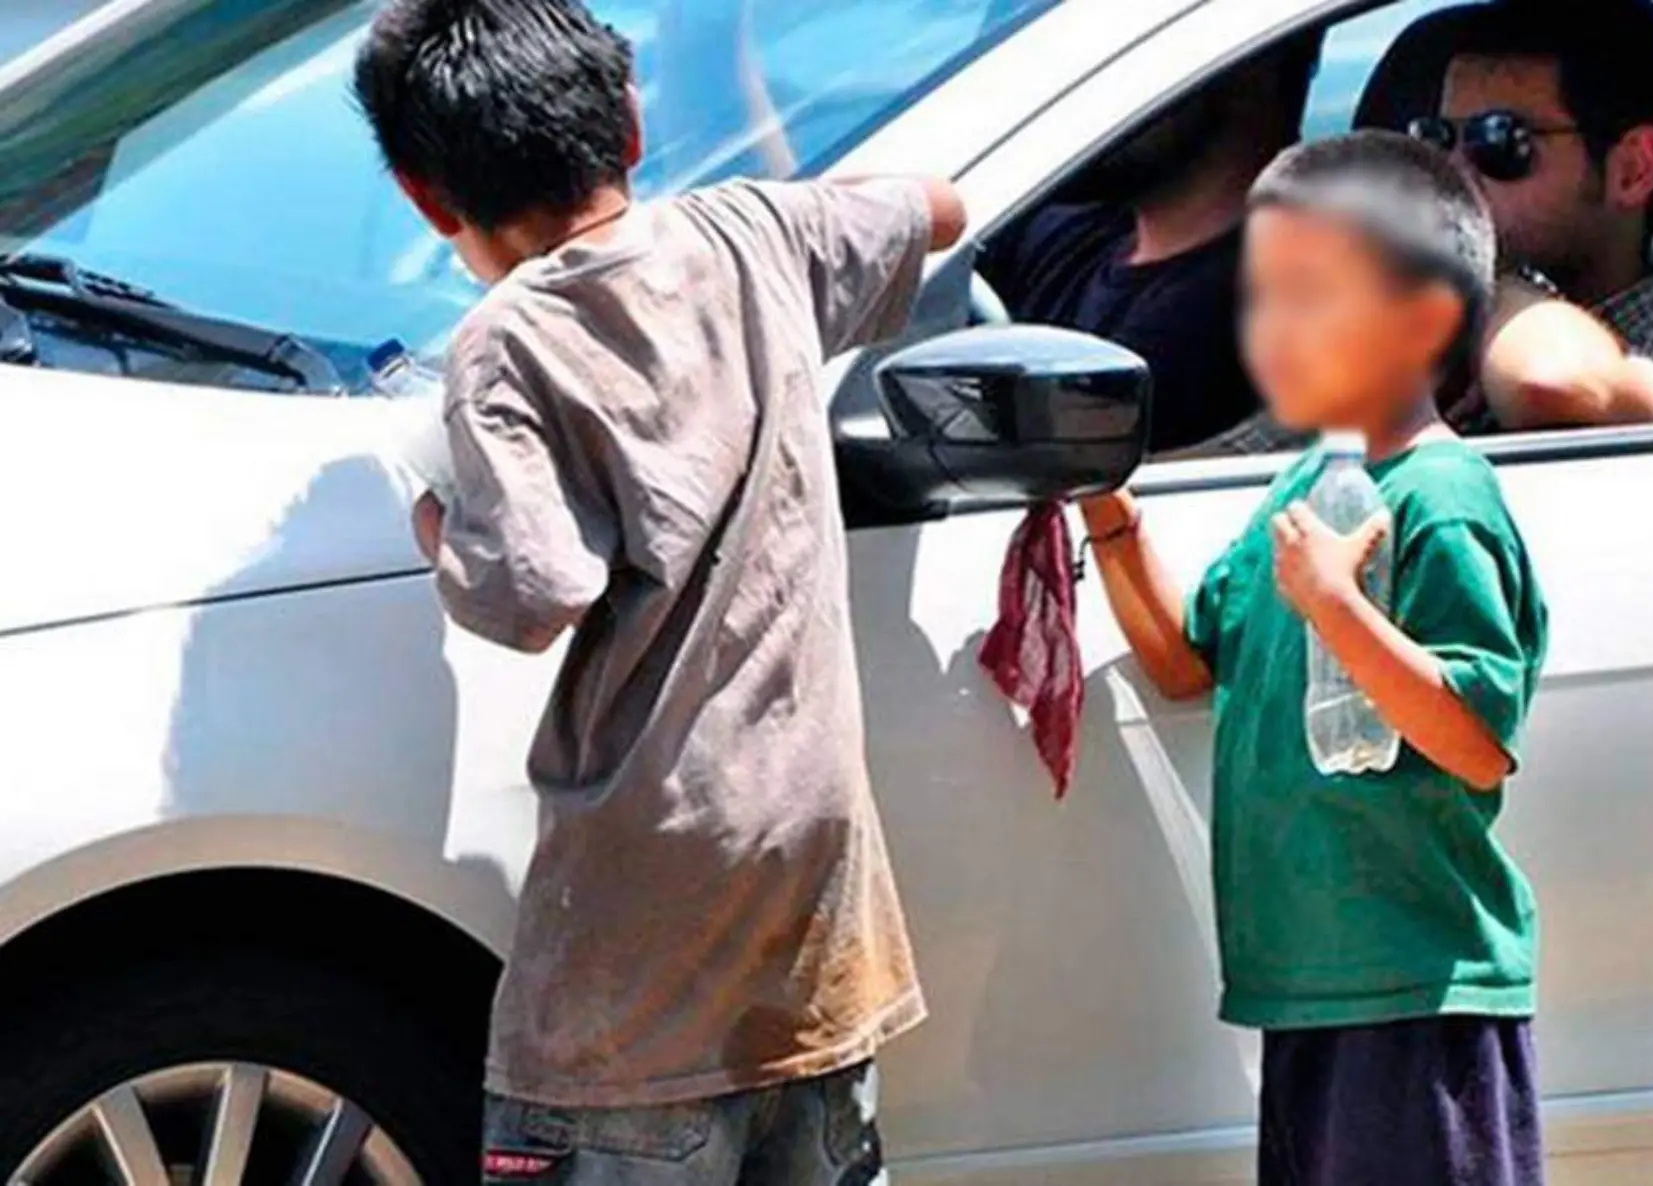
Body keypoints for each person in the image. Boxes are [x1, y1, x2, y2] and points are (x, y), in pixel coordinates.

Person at [353, 1, 965, 1181]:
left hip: (637, 964)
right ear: (631, 125)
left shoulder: (504, 344)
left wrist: (438, 530)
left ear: (427, 199)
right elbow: (938, 206)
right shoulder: (751, 237)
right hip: (813, 928)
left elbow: (530, 590)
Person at [1082, 132, 1548, 1185]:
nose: (1269, 329)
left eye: (1307, 296)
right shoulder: (1305, 488)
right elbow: (1186, 662)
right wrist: (1109, 519)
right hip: (1309, 985)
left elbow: (1475, 739)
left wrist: (1339, 608)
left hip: (1415, 989)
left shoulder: (1440, 498)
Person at [1420, 0, 1653, 430]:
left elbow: (1551, 386)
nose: (1454, 170)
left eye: (1499, 139)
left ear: (1632, 170)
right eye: (1437, 139)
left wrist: (1482, 272)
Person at [979, 39, 1319, 455]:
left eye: (1119, 62)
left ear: (1250, 69)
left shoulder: (1248, 316)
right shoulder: (1069, 231)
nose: (1089, 92)